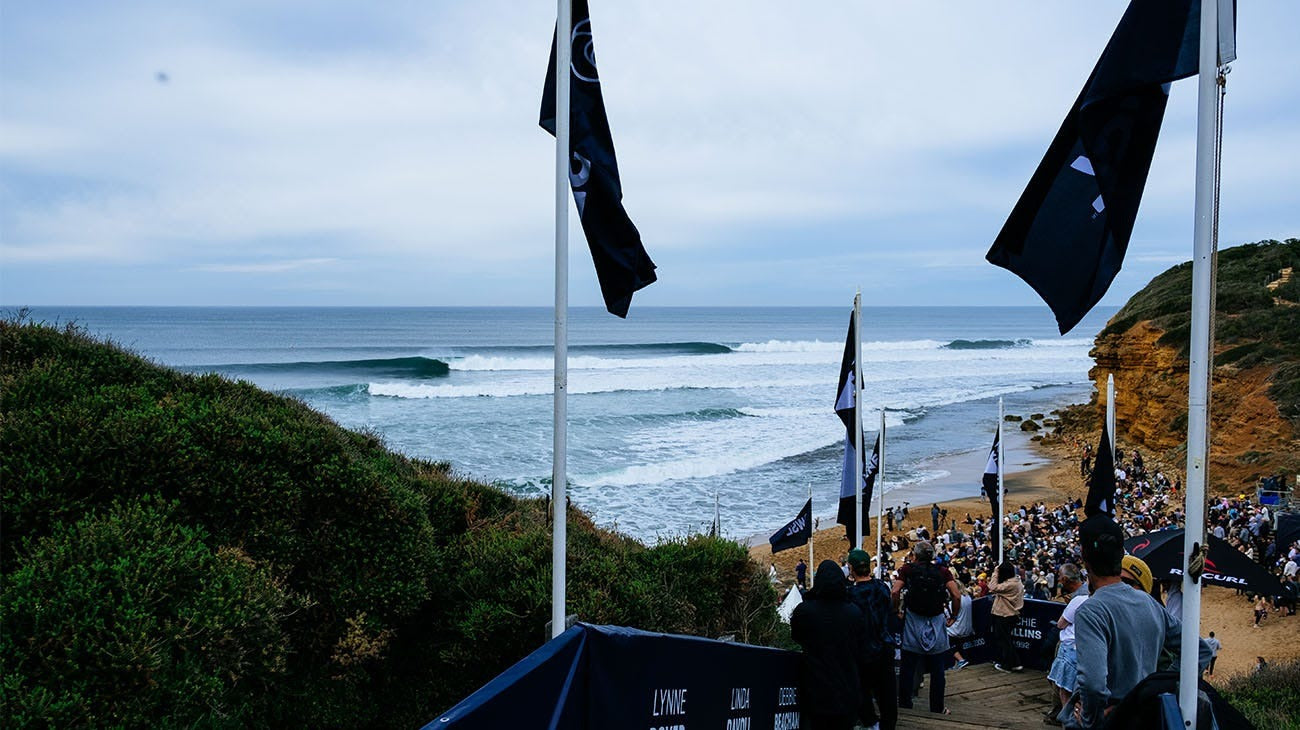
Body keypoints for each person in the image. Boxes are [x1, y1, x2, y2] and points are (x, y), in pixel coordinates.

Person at [1071, 514, 1183, 728]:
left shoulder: (1091, 610)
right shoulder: (1149, 602)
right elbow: (1201, 650)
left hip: (1113, 719)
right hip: (1143, 716)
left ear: (1084, 554)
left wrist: (1091, 722)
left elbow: (1093, 684)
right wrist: (1153, 689)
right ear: (1121, 555)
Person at [790, 560, 866, 730]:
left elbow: (796, 637)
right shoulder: (854, 612)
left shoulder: (805, 611)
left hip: (814, 689)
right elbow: (861, 646)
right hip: (847, 689)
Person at [892, 540, 961, 715]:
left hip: (913, 620)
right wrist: (953, 616)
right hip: (936, 620)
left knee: (908, 667)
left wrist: (896, 610)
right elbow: (956, 594)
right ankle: (937, 707)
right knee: (938, 670)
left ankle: (905, 704)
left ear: (915, 555)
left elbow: (895, 591)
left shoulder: (907, 570)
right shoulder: (943, 571)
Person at [845, 549, 897, 730]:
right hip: (884, 644)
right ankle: (888, 724)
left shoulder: (851, 594)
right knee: (887, 691)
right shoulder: (882, 587)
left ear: (851, 568)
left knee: (862, 689)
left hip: (864, 648)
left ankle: (871, 722)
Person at [988, 561, 1025, 672]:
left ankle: (1008, 664)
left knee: (1004, 641)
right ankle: (1015, 662)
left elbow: (992, 587)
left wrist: (995, 572)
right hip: (1009, 614)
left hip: (1005, 614)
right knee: (1006, 640)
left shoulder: (1010, 584)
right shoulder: (1016, 581)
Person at [945, 584, 974, 671]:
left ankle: (961, 660)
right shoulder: (968, 598)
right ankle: (956, 662)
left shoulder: (954, 602)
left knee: (943, 636)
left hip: (957, 629)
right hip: (968, 627)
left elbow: (947, 616)